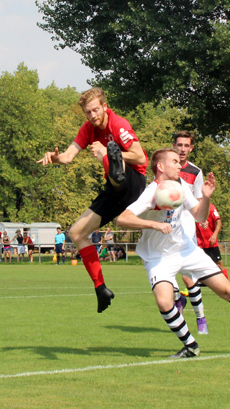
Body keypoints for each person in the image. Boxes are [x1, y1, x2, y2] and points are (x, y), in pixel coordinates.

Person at [116, 148, 230, 358]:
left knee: (228, 291)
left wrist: (206, 197)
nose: (179, 164)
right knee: (164, 302)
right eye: (174, 161)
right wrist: (153, 225)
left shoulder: (182, 186)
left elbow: (199, 216)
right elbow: (123, 218)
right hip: (158, 256)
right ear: (160, 166)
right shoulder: (152, 192)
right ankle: (191, 346)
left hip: (185, 250)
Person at [38, 87, 148, 312]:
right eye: (88, 112)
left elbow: (140, 156)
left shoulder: (119, 124)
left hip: (134, 180)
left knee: (109, 152)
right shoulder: (87, 129)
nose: (92, 115)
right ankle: (101, 289)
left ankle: (114, 168)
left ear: (105, 107)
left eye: (96, 110)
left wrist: (110, 154)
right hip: (115, 191)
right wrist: (56, 157)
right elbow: (68, 157)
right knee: (76, 233)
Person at [172, 130, 211, 334]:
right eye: (179, 145)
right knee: (163, 273)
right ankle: (178, 297)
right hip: (167, 227)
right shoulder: (163, 168)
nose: (183, 149)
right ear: (174, 146)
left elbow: (198, 200)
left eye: (186, 146)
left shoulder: (196, 172)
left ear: (191, 148)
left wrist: (201, 218)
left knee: (189, 277)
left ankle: (200, 318)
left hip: (186, 229)